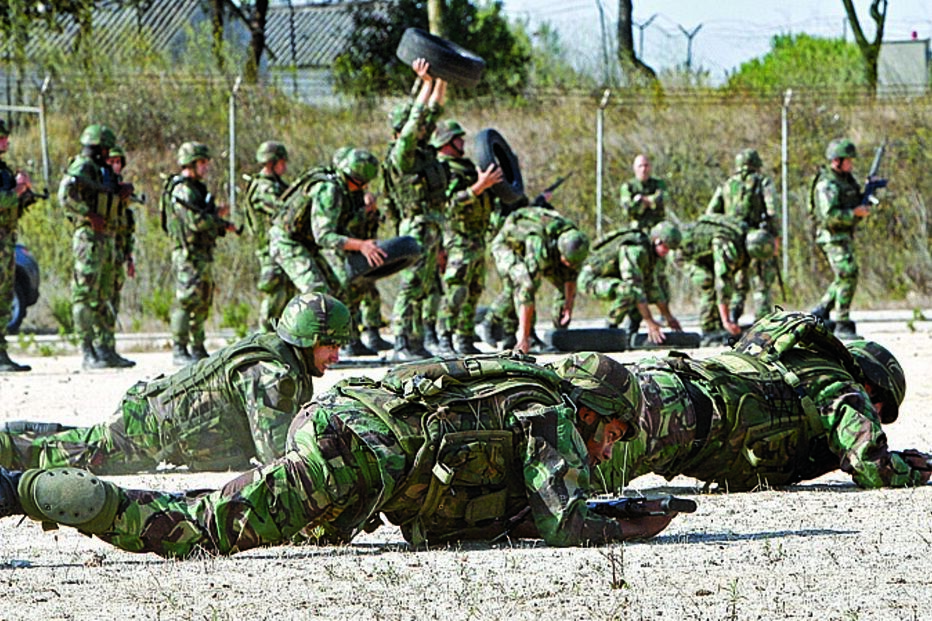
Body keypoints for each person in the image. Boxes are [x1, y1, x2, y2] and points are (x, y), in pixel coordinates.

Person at [0, 351, 688, 556]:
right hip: (354, 455)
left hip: (350, 435)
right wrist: (625, 524)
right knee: (201, 529)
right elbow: (563, 522)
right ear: (602, 414)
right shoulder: (555, 415)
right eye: (618, 434)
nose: (610, 446)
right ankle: (26, 489)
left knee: (244, 507)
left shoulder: (523, 388)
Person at [0, 292, 352, 474]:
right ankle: (8, 446)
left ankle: (25, 433)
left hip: (155, 418)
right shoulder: (272, 374)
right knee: (76, 455)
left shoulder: (278, 359)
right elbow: (277, 454)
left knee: (87, 441)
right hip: (152, 430)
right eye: (330, 346)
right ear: (306, 341)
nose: (335, 356)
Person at [597, 310, 932, 493]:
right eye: (879, 410)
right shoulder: (840, 384)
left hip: (663, 386)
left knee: (560, 420)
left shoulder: (790, 362)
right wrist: (915, 469)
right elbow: (872, 468)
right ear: (871, 387)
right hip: (675, 415)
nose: (873, 417)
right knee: (563, 486)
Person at [384, 58, 449, 361]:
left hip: (431, 225)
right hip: (415, 227)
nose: (424, 129)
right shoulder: (402, 153)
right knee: (411, 285)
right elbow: (416, 119)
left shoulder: (422, 150)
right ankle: (400, 342)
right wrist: (424, 84)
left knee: (425, 286)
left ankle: (416, 340)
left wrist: (441, 78)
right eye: (417, 126)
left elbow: (432, 112)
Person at [59, 124, 135, 369]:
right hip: (89, 239)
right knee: (85, 294)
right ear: (99, 147)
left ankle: (106, 348)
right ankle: (87, 350)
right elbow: (65, 195)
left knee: (106, 295)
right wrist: (88, 214)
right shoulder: (83, 166)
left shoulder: (101, 170)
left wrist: (120, 193)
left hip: (107, 240)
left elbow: (107, 196)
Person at [431, 119, 503, 355]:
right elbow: (449, 205)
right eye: (457, 138)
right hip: (458, 240)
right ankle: (444, 338)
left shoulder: (467, 167)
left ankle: (463, 338)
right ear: (446, 141)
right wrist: (479, 187)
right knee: (456, 291)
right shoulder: (444, 169)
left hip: (476, 238)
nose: (462, 141)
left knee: (473, 290)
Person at [161, 142, 235, 365]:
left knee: (203, 300)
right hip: (188, 254)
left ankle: (197, 346)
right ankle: (180, 348)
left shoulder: (196, 188)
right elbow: (195, 222)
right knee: (187, 300)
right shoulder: (182, 190)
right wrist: (218, 221)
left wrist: (215, 216)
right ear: (191, 163)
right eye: (202, 162)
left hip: (201, 253)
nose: (206, 167)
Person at [308, 146, 387, 357]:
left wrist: (368, 213)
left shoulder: (354, 193)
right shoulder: (330, 190)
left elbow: (352, 226)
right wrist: (360, 245)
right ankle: (318, 346)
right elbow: (323, 236)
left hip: (334, 242)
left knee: (358, 284)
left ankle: (350, 339)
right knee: (328, 287)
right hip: (307, 242)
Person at [489, 206, 589, 354]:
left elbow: (570, 275)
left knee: (561, 283)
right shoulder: (538, 243)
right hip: (506, 246)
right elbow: (526, 291)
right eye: (567, 261)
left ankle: (560, 333)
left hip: (535, 245)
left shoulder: (573, 238)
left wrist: (568, 305)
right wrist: (524, 338)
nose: (569, 265)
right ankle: (493, 322)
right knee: (525, 282)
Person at [579, 221, 683, 346]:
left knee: (639, 293)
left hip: (613, 280)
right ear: (657, 241)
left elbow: (652, 287)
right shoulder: (635, 250)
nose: (667, 252)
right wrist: (649, 321)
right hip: (591, 280)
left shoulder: (650, 254)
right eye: (666, 247)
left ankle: (630, 335)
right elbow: (633, 286)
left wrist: (668, 317)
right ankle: (609, 331)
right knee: (629, 291)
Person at [706, 148, 779, 323]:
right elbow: (772, 210)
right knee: (761, 282)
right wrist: (774, 237)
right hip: (756, 240)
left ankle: (733, 316)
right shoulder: (763, 183)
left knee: (738, 282)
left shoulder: (726, 185)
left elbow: (710, 214)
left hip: (732, 239)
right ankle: (763, 322)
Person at [809, 139, 872, 338]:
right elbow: (829, 216)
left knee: (845, 275)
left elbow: (852, 200)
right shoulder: (827, 183)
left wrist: (867, 194)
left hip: (844, 235)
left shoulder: (845, 180)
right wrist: (854, 214)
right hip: (832, 237)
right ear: (837, 161)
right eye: (848, 160)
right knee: (847, 273)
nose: (851, 164)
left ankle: (821, 311)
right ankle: (842, 321)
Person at [676, 213, 772, 343]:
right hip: (683, 254)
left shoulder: (745, 234)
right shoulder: (727, 244)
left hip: (706, 257)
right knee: (707, 280)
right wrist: (726, 320)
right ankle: (709, 330)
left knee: (723, 282)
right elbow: (722, 281)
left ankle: (719, 323)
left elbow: (739, 282)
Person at [242, 141, 291, 332]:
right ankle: (265, 336)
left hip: (279, 246)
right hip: (269, 247)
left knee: (285, 294)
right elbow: (281, 210)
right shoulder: (264, 188)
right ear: (272, 162)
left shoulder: (276, 185)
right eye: (282, 162)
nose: (285, 166)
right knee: (275, 293)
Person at [0, 118, 36, 372]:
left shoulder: (3, 170)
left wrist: (24, 196)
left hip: (6, 241)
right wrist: (18, 192)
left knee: (4, 297)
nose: (5, 142)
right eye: (1, 137)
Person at [105, 145, 136, 351]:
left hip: (117, 253)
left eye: (119, 162)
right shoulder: (104, 189)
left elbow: (126, 229)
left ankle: (108, 345)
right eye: (112, 161)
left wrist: (129, 257)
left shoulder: (121, 192)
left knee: (113, 299)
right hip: (101, 251)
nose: (116, 166)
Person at [619, 154, 667, 233]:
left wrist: (644, 200)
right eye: (640, 166)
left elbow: (664, 199)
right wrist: (646, 202)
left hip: (658, 227)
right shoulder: (628, 186)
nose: (643, 169)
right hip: (636, 229)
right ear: (634, 168)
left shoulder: (658, 183)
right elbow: (627, 208)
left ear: (650, 167)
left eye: (646, 165)